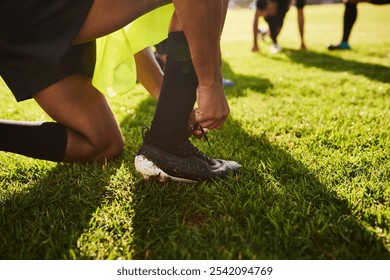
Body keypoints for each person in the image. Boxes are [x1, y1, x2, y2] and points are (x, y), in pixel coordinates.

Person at [0, 0, 241, 183]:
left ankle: (168, 141)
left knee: (103, 144)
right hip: (27, 11)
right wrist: (211, 86)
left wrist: (169, 102)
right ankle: (168, 143)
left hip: (25, 28)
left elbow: (123, 33)